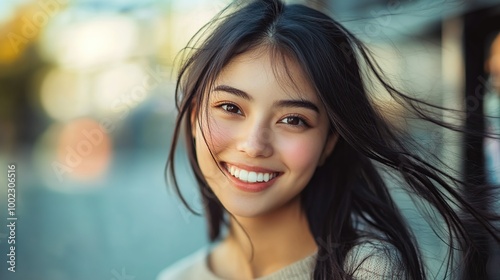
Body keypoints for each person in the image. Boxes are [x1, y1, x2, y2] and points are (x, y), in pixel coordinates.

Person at [158, 0, 500, 279]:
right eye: (230, 107)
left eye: (293, 119)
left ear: (329, 142)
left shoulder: (368, 272)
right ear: (192, 115)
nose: (254, 144)